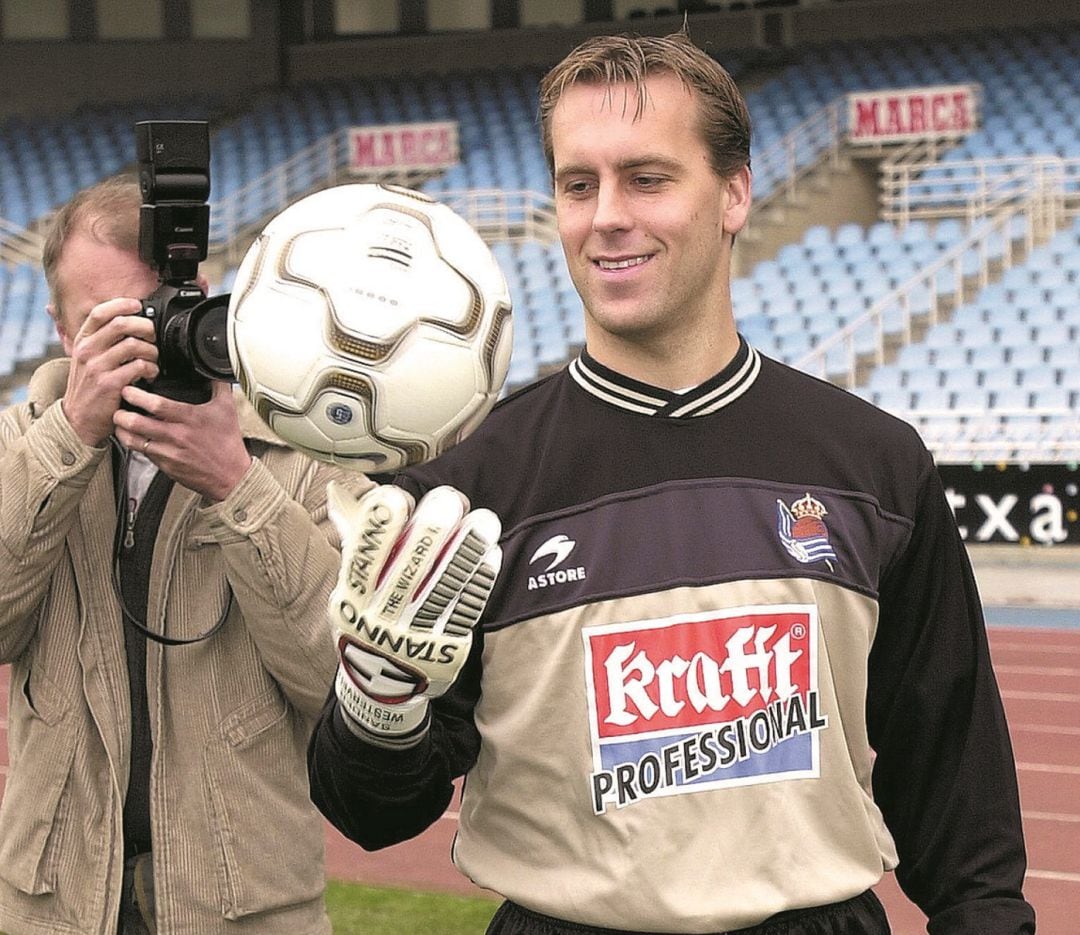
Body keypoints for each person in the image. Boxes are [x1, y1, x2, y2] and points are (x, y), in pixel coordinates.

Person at [307, 29, 1036, 935]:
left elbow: (953, 773)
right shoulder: (466, 489)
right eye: (579, 184)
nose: (606, 214)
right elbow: (375, 813)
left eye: (647, 179)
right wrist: (377, 703)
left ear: (735, 193)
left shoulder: (874, 463)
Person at [0, 175, 364, 934]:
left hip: (243, 906)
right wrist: (70, 436)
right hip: (54, 903)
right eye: (107, 322)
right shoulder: (21, 442)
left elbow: (339, 681)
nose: (142, 339)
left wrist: (236, 483)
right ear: (62, 332)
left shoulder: (300, 451)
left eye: (156, 310)